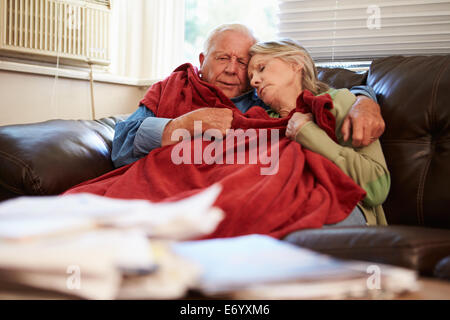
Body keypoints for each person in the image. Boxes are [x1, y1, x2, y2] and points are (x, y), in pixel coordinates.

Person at [111, 23, 385, 168]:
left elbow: (319, 93)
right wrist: (181, 124)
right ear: (203, 60)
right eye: (222, 58)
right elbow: (122, 145)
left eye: (243, 62)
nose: (232, 69)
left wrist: (365, 101)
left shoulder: (264, 96)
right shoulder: (172, 87)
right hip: (162, 185)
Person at [247, 39, 390, 226]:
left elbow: (377, 190)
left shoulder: (340, 102)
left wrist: (309, 134)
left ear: (296, 63)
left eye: (262, 68)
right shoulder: (258, 121)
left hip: (343, 206)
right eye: (250, 77)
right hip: (279, 205)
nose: (254, 81)